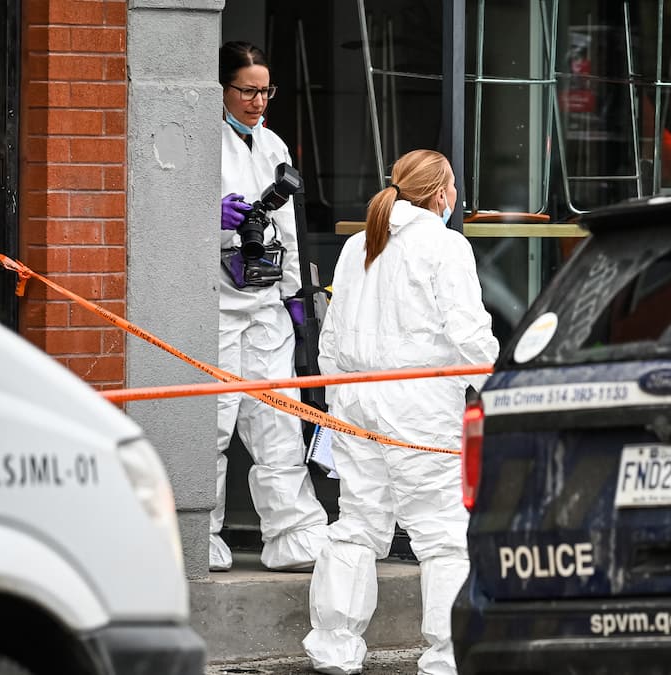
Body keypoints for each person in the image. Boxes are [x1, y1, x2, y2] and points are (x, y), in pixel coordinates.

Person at [303, 150, 499, 675]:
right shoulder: (445, 245)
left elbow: (331, 334)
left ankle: (334, 647)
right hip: (418, 404)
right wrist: (500, 390)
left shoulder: (357, 245)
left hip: (355, 398)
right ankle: (448, 654)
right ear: (440, 193)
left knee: (357, 522)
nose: (454, 196)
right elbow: (468, 333)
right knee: (442, 529)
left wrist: (335, 398)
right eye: (452, 187)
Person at [211, 41, 329, 572]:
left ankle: (294, 535)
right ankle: (200, 532)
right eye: (247, 91)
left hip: (264, 304)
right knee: (213, 421)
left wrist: (295, 295)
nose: (258, 102)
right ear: (222, 89)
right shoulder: (201, 140)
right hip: (216, 303)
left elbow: (290, 232)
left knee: (279, 419)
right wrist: (210, 217)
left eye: (265, 91)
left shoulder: (273, 144)